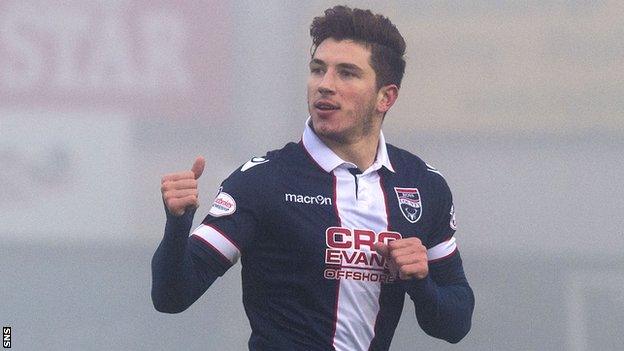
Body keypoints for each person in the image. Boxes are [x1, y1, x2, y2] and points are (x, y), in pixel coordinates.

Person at [152, 5, 474, 350]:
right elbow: (172, 296)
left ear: (386, 96)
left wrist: (421, 282)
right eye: (318, 70)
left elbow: (455, 324)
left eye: (346, 73)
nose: (325, 85)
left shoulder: (423, 186)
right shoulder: (262, 181)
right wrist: (177, 224)